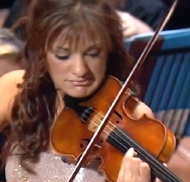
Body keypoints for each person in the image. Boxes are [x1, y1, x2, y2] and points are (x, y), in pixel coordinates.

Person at [0, 0, 171, 181]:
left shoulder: (138, 121)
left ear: (108, 51)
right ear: (42, 52)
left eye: (93, 53)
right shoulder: (17, 90)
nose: (80, 70)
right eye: (63, 56)